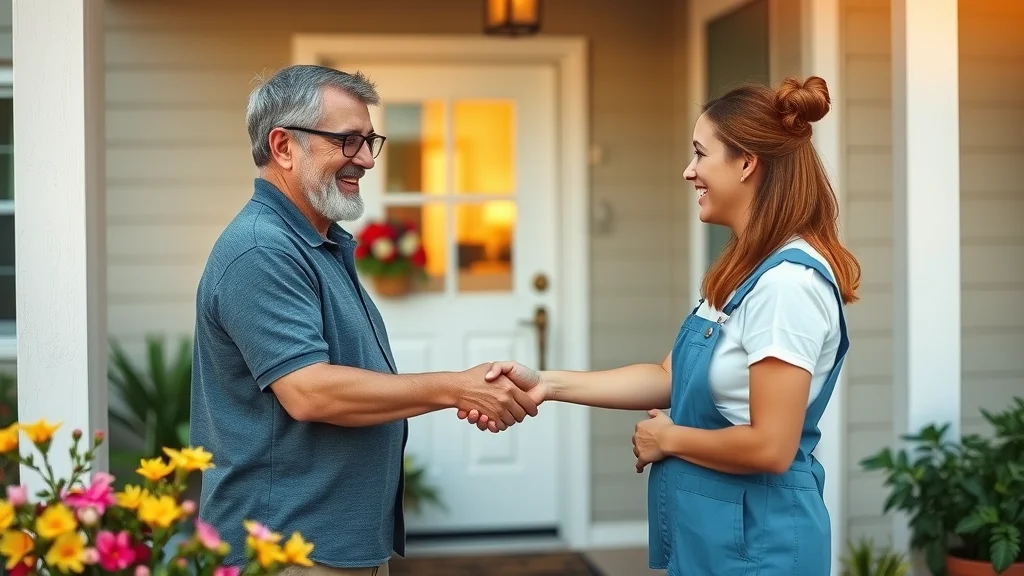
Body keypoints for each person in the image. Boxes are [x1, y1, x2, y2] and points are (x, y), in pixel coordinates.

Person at [460, 76, 860, 575]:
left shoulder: (787, 287)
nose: (688, 171)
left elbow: (771, 446)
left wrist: (668, 440)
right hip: (713, 535)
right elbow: (669, 377)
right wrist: (546, 384)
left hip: (760, 546)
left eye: (700, 153)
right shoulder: (741, 272)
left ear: (746, 163)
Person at [189, 64, 538, 576]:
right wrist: (457, 388)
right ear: (283, 146)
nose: (366, 160)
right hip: (286, 550)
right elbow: (311, 392)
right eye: (347, 141)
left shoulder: (317, 242)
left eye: (369, 140)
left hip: (332, 543)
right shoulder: (261, 250)